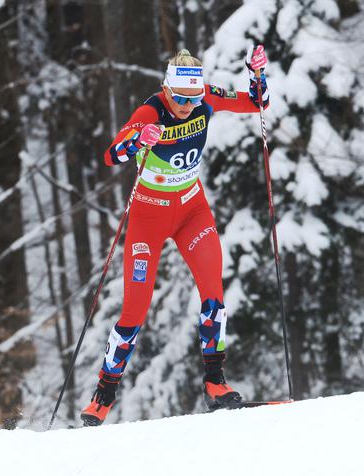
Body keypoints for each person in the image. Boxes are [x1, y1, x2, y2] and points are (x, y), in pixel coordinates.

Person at [80, 46, 270, 426]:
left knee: (214, 293)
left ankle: (216, 384)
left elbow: (256, 104)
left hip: (191, 210)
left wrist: (256, 75)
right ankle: (103, 395)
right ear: (167, 90)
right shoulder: (152, 110)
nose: (187, 106)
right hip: (148, 218)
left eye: (193, 99)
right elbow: (111, 155)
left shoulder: (205, 98)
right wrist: (137, 139)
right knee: (134, 310)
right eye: (180, 99)